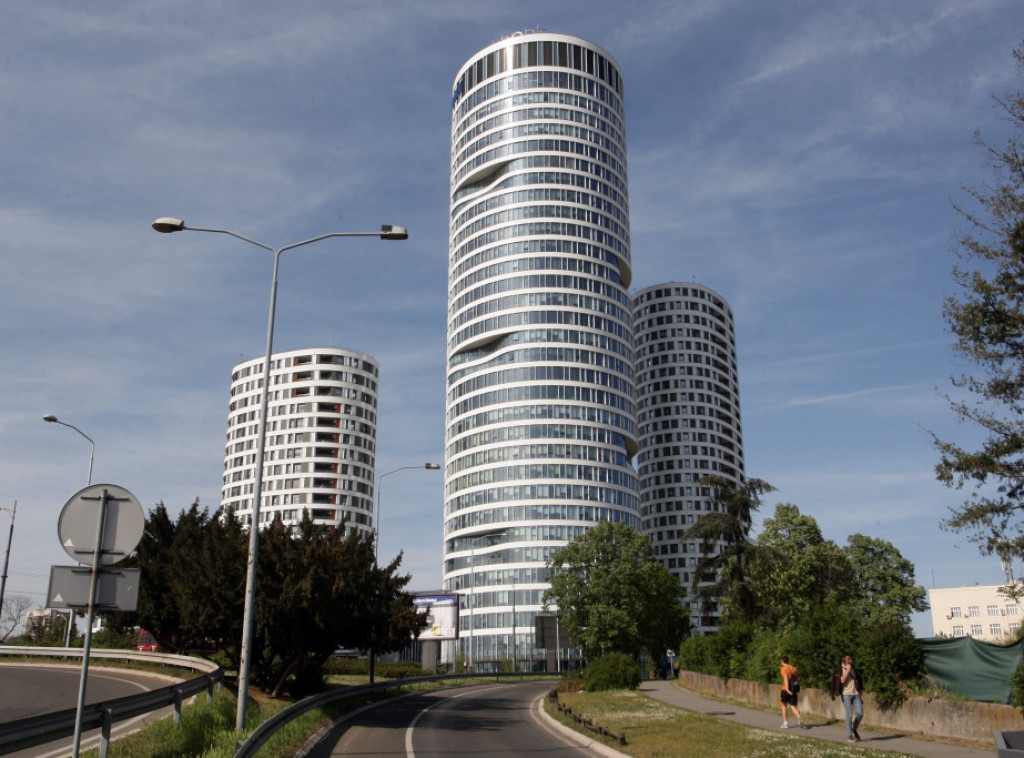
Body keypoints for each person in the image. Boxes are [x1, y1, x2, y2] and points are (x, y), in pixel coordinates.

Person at [830, 653, 864, 741]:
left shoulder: (853, 669)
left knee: (860, 713)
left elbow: (857, 681)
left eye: (850, 659)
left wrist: (860, 693)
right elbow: (841, 681)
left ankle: (854, 728)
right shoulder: (839, 669)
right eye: (848, 659)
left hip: (856, 693)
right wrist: (847, 671)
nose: (850, 661)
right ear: (843, 659)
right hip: (846, 694)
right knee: (849, 714)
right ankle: (850, 735)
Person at [779, 655, 806, 729]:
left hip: (786, 690)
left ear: (782, 661)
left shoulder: (784, 669)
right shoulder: (794, 668)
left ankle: (785, 723)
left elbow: (785, 679)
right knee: (793, 706)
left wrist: (787, 689)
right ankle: (799, 716)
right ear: (788, 661)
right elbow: (798, 679)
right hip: (793, 690)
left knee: (784, 706)